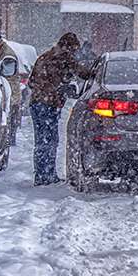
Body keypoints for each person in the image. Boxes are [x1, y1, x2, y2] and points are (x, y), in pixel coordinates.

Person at [28, 33, 95, 185]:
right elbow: (82, 73)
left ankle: (42, 175)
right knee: (50, 140)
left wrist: (45, 91)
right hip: (47, 104)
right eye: (74, 50)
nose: (74, 53)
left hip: (36, 103)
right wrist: (95, 72)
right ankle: (47, 176)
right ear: (68, 47)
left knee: (42, 141)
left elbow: (31, 82)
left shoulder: (45, 56)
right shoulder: (64, 58)